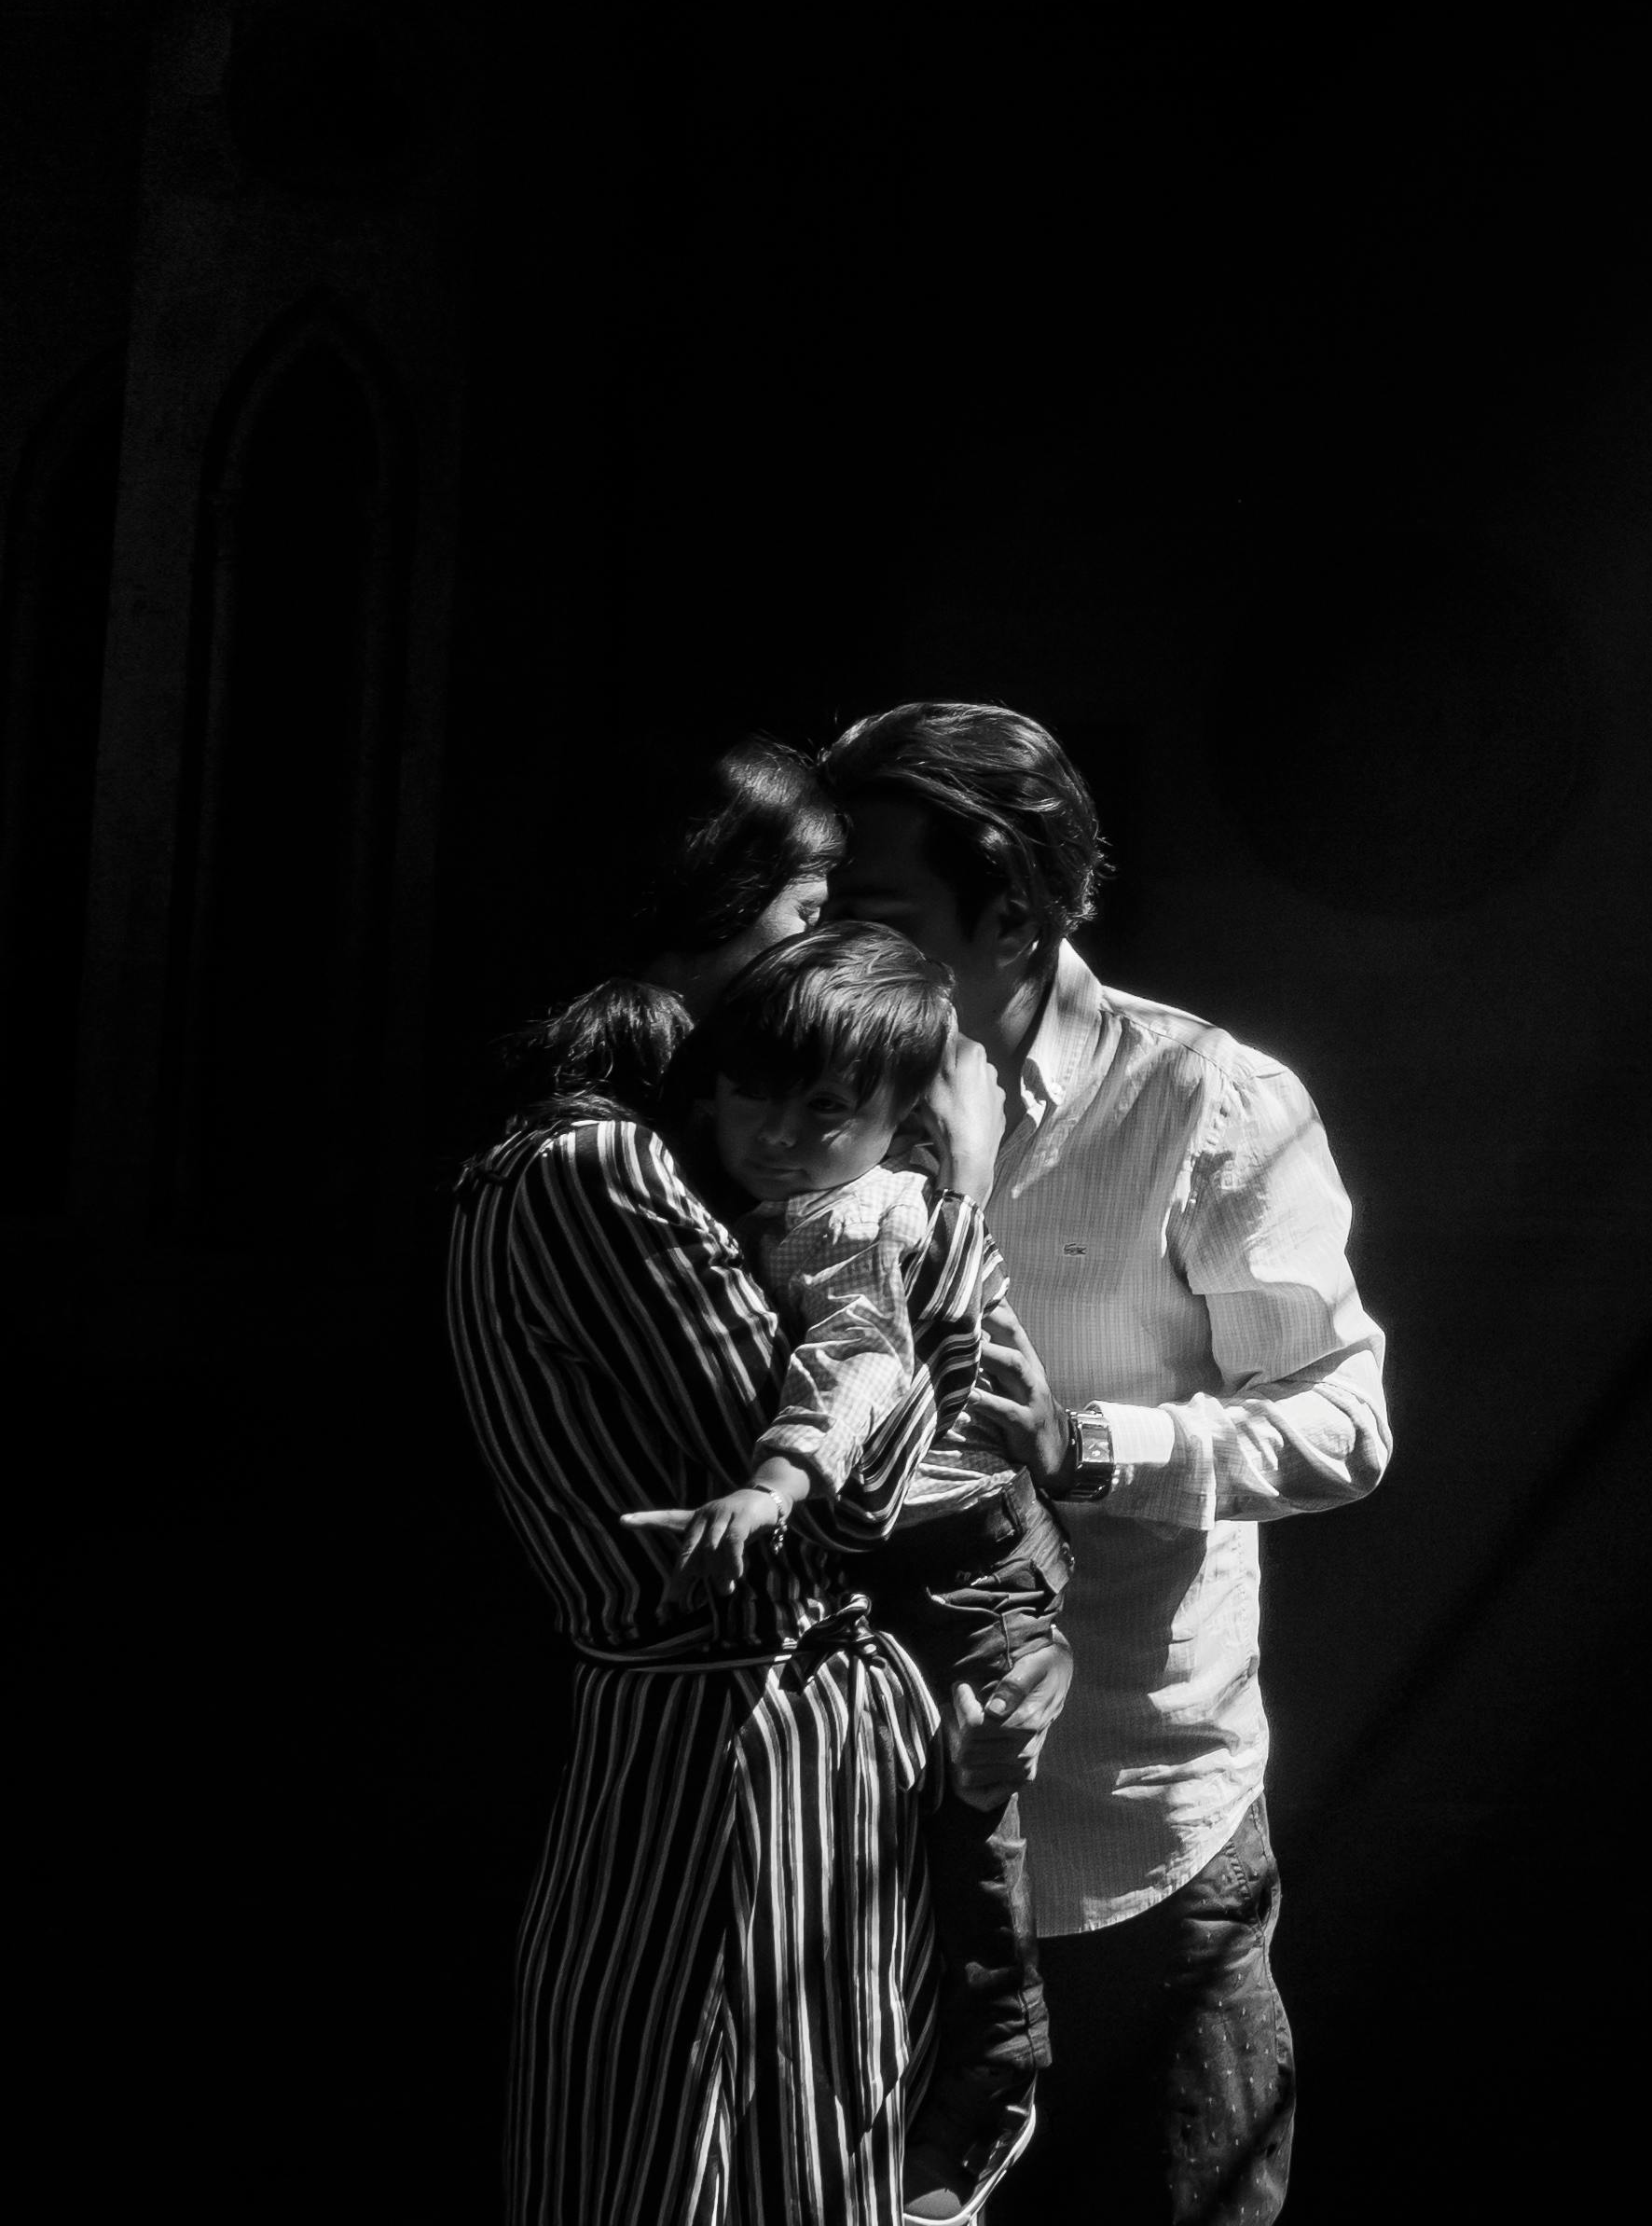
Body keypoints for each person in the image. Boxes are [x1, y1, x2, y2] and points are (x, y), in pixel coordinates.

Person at [816, 704, 1392, 2226]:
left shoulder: (1206, 1100)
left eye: (877, 913)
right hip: (868, 1840)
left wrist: (1090, 1445)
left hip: (1134, 1830)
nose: (830, 949)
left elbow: (1344, 1423)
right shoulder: (809, 1099)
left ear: (1013, 912)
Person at [445, 748, 943, 2226]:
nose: (814, 951)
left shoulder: (621, 1156)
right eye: (803, 910)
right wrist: (950, 1223)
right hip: (725, 1751)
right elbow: (847, 1504)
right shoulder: (596, 1167)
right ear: (714, 904)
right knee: (698, 2158)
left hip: (733, 1738)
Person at [643, 920, 1081, 2226]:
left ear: (897, 1125)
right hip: (925, 1555)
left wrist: (777, 1481)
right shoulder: (769, 1197)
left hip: (965, 1566)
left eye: (826, 1110)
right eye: (754, 1095)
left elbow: (863, 1358)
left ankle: (994, 2081)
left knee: (970, 1814)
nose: (780, 1134)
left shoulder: (860, 1216)